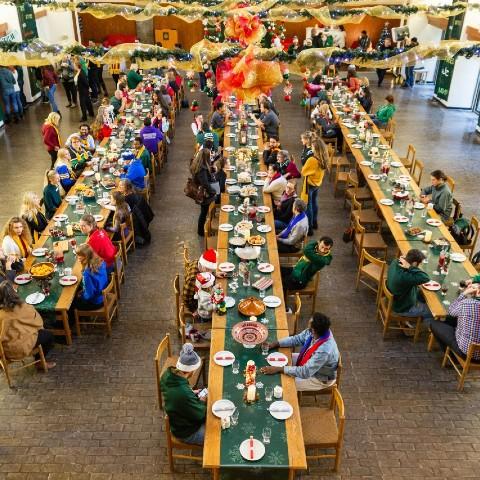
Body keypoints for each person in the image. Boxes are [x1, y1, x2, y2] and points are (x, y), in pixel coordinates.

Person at [261, 312, 339, 391]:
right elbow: (297, 339)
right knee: (278, 359)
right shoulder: (320, 330)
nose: (307, 327)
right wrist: (276, 343)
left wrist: (279, 369)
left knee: (282, 385)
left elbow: (305, 371)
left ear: (314, 331)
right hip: (310, 361)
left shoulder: (324, 351)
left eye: (309, 326)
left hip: (318, 378)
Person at [0, 280, 56, 369]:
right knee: (48, 335)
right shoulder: (24, 307)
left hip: (5, 351)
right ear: (14, 292)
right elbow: (38, 323)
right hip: (20, 347)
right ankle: (39, 362)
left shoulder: (1, 314)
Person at [160, 343, 206, 445]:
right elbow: (200, 415)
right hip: (186, 432)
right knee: (218, 436)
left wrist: (190, 392)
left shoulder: (167, 375)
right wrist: (203, 402)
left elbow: (177, 394)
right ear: (191, 371)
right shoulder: (183, 393)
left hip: (177, 420)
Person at [430, 283, 480, 360]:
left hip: (465, 354)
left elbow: (451, 312)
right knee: (453, 320)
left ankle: (452, 356)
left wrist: (464, 293)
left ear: (478, 292)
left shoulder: (467, 303)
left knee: (435, 323)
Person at [386, 249, 433, 326]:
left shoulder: (395, 262)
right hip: (403, 308)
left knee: (424, 296)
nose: (420, 266)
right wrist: (410, 267)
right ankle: (416, 327)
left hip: (398, 299)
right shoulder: (406, 277)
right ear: (414, 263)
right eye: (420, 264)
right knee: (431, 311)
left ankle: (414, 321)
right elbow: (425, 278)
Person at [69, 244, 108, 318]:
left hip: (96, 302)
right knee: (79, 292)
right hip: (103, 296)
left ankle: (72, 322)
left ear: (85, 257)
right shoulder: (100, 261)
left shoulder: (87, 273)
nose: (77, 257)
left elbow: (89, 295)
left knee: (71, 304)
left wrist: (81, 296)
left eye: (78, 256)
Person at [301, 138, 327, 235]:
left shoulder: (312, 159)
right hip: (317, 183)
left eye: (312, 147)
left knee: (308, 205)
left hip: (310, 184)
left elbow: (303, 171)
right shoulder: (324, 157)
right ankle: (315, 222)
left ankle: (310, 227)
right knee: (314, 202)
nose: (311, 148)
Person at [117, 179, 153, 246]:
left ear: (127, 187)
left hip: (133, 221)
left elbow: (120, 209)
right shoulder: (133, 191)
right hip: (143, 217)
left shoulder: (126, 199)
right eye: (119, 185)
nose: (119, 187)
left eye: (121, 186)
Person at [190, 149, 218, 236]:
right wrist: (214, 191)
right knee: (203, 212)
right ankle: (201, 231)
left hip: (205, 192)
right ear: (206, 157)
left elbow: (207, 174)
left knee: (204, 211)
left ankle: (202, 230)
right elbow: (205, 184)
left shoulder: (200, 164)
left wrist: (212, 170)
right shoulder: (201, 170)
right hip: (204, 194)